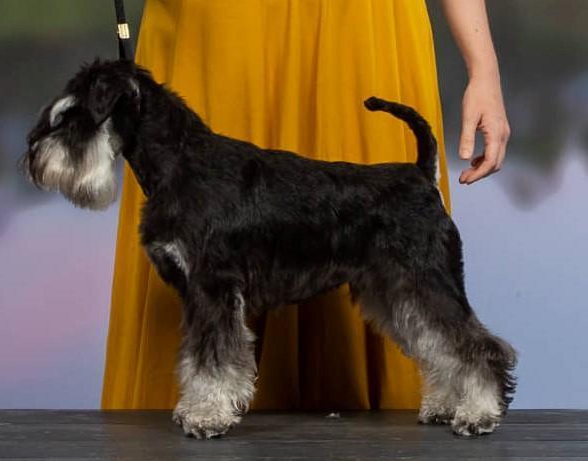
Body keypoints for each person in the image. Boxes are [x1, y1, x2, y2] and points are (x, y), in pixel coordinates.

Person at [102, 0, 510, 410]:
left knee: (411, 272)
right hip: (218, 27)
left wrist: (485, 71)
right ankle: (208, 397)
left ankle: (467, 384)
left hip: (358, 27)